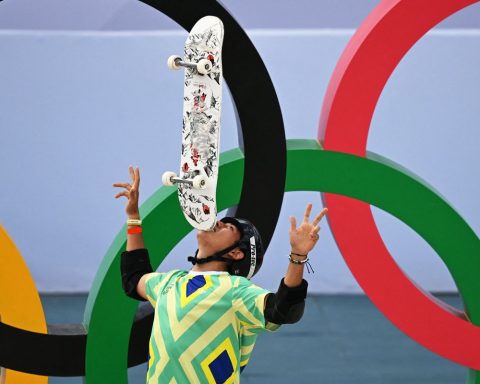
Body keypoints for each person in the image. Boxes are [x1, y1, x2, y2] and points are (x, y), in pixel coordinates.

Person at [114, 166, 328, 383]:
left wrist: (298, 254)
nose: (218, 221)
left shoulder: (235, 290)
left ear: (236, 253)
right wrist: (133, 217)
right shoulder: (169, 282)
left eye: (228, 227)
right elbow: (133, 277)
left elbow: (283, 310)